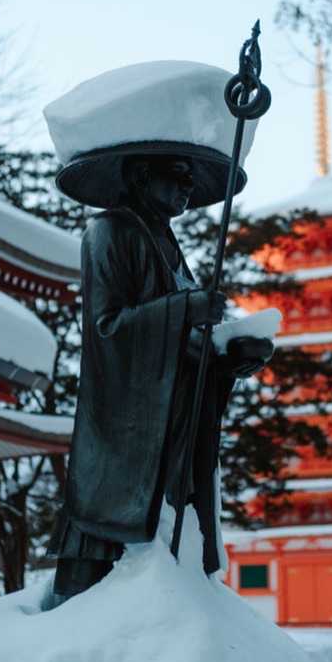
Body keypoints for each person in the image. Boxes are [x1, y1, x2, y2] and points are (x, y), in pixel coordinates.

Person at [46, 152, 273, 606]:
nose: (188, 188)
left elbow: (189, 344)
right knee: (98, 570)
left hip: (173, 421)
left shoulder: (166, 240)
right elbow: (105, 329)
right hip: (125, 434)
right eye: (180, 174)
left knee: (172, 545)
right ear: (143, 173)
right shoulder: (109, 231)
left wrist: (230, 356)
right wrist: (186, 309)